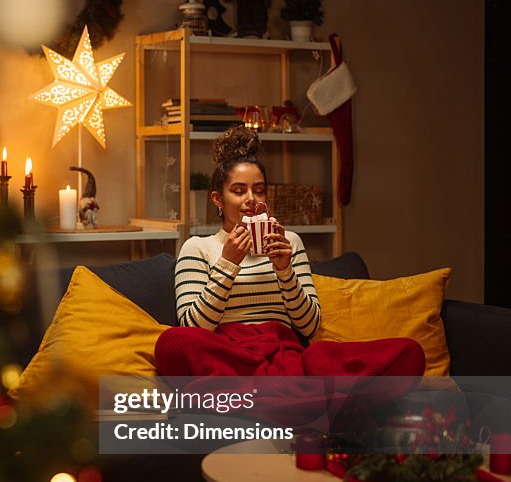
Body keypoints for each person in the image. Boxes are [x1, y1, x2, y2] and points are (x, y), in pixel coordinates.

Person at [155, 126, 424, 379]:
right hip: (230, 356)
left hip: (284, 354)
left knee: (406, 351)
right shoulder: (198, 247)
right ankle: (303, 401)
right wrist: (227, 264)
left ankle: (261, 399)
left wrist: (284, 270)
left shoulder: (289, 242)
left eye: (258, 190)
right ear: (218, 199)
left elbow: (308, 327)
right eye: (238, 191)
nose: (250, 199)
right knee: (172, 343)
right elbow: (193, 330)